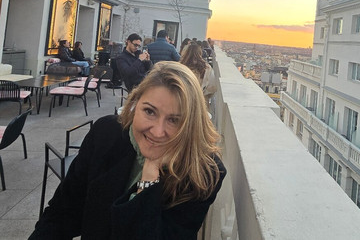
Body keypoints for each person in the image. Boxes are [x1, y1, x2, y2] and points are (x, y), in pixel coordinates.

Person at [30, 62, 226, 239]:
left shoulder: (203, 172)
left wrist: (149, 180)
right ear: (134, 104)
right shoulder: (106, 134)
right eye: (149, 111)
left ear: (190, 125)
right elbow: (62, 213)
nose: (157, 132)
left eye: (174, 120)